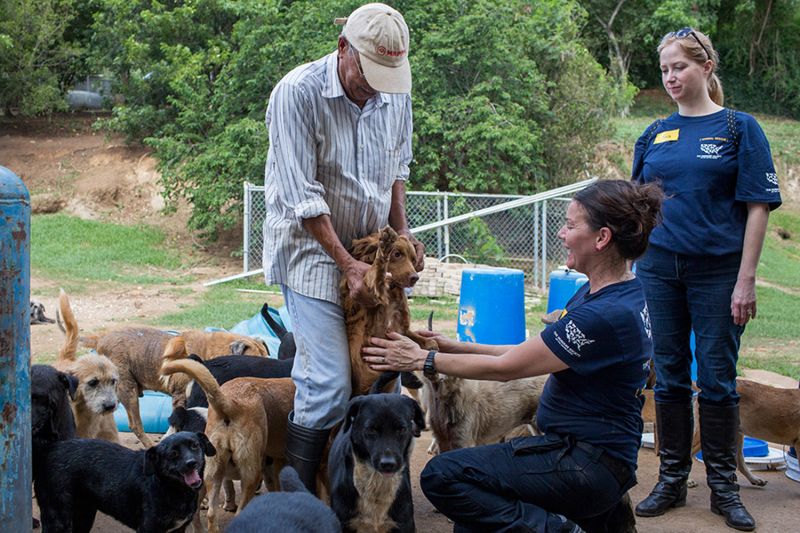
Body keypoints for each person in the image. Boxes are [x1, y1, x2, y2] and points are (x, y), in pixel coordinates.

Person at [363, 179, 664, 532]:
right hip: (591, 456)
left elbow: (508, 368)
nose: (561, 235)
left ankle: (560, 529)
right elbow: (530, 351)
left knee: (444, 476)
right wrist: (452, 345)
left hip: (583, 462)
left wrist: (420, 360)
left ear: (601, 239)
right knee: (473, 517)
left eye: (569, 226)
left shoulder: (603, 314)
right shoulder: (613, 292)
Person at [262, 2, 424, 493]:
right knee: (330, 385)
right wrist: (346, 263)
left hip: (372, 255)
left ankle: (374, 498)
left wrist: (402, 237)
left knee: (383, 375)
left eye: (386, 75)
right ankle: (299, 498)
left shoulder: (395, 92)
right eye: (367, 72)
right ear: (342, 48)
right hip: (312, 252)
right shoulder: (298, 93)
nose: (376, 85)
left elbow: (398, 167)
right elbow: (301, 197)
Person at [631, 28, 782, 532]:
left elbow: (757, 208)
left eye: (680, 67)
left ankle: (723, 488)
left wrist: (746, 280)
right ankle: (671, 479)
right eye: (665, 70)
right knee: (669, 375)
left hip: (719, 273)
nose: (672, 77)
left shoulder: (741, 129)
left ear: (706, 67)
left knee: (716, 378)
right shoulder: (653, 134)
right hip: (659, 269)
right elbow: (637, 208)